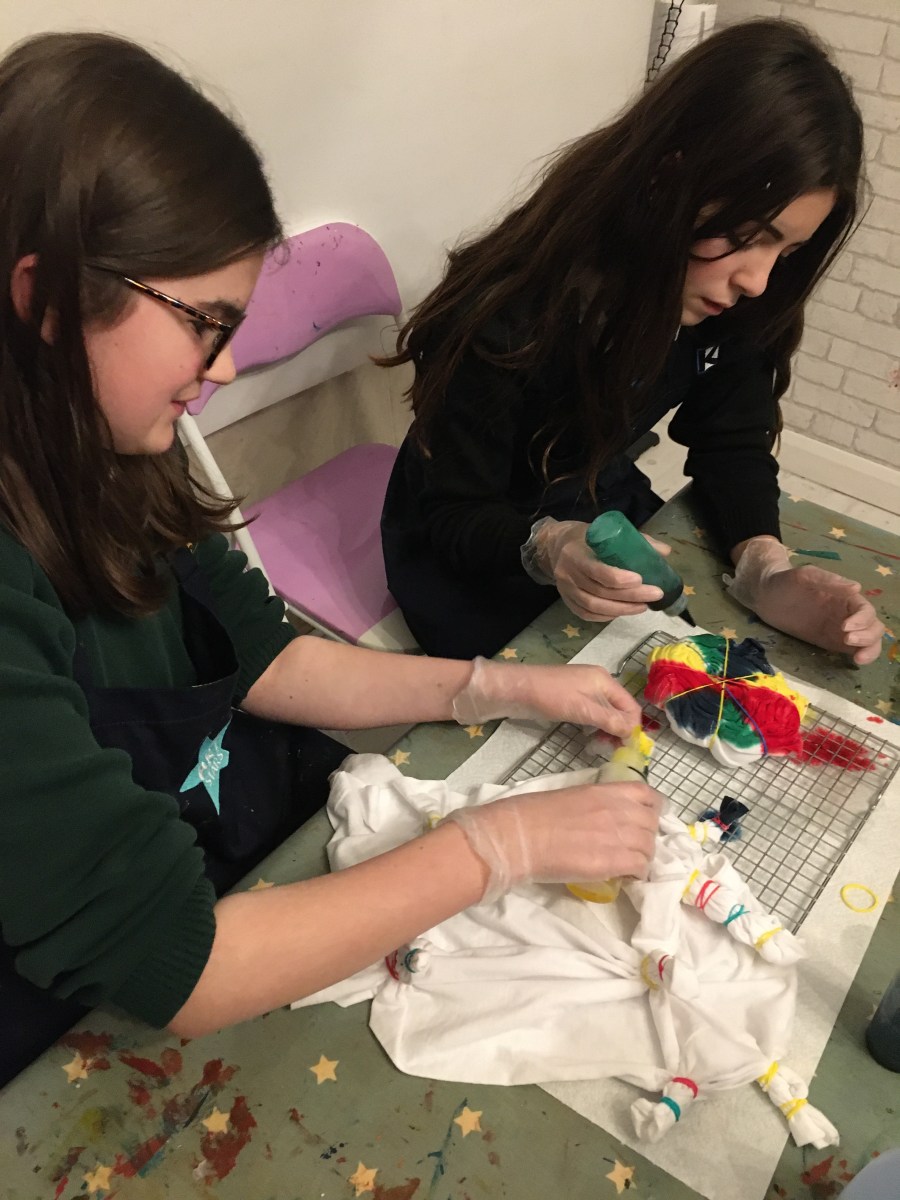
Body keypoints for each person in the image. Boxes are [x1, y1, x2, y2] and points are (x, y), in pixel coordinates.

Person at [0, 32, 663, 1086]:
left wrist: (494, 685)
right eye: (205, 324)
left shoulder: (116, 449)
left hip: (221, 839)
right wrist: (495, 848)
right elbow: (183, 968)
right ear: (45, 300)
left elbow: (269, 657)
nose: (222, 367)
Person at [379, 18, 886, 665]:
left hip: (594, 494)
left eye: (786, 250)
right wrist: (548, 547)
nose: (758, 280)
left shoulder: (731, 303)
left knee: (704, 656)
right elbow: (457, 509)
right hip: (469, 540)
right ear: (668, 180)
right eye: (752, 235)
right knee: (586, 690)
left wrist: (765, 563)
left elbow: (732, 438)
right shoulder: (509, 316)